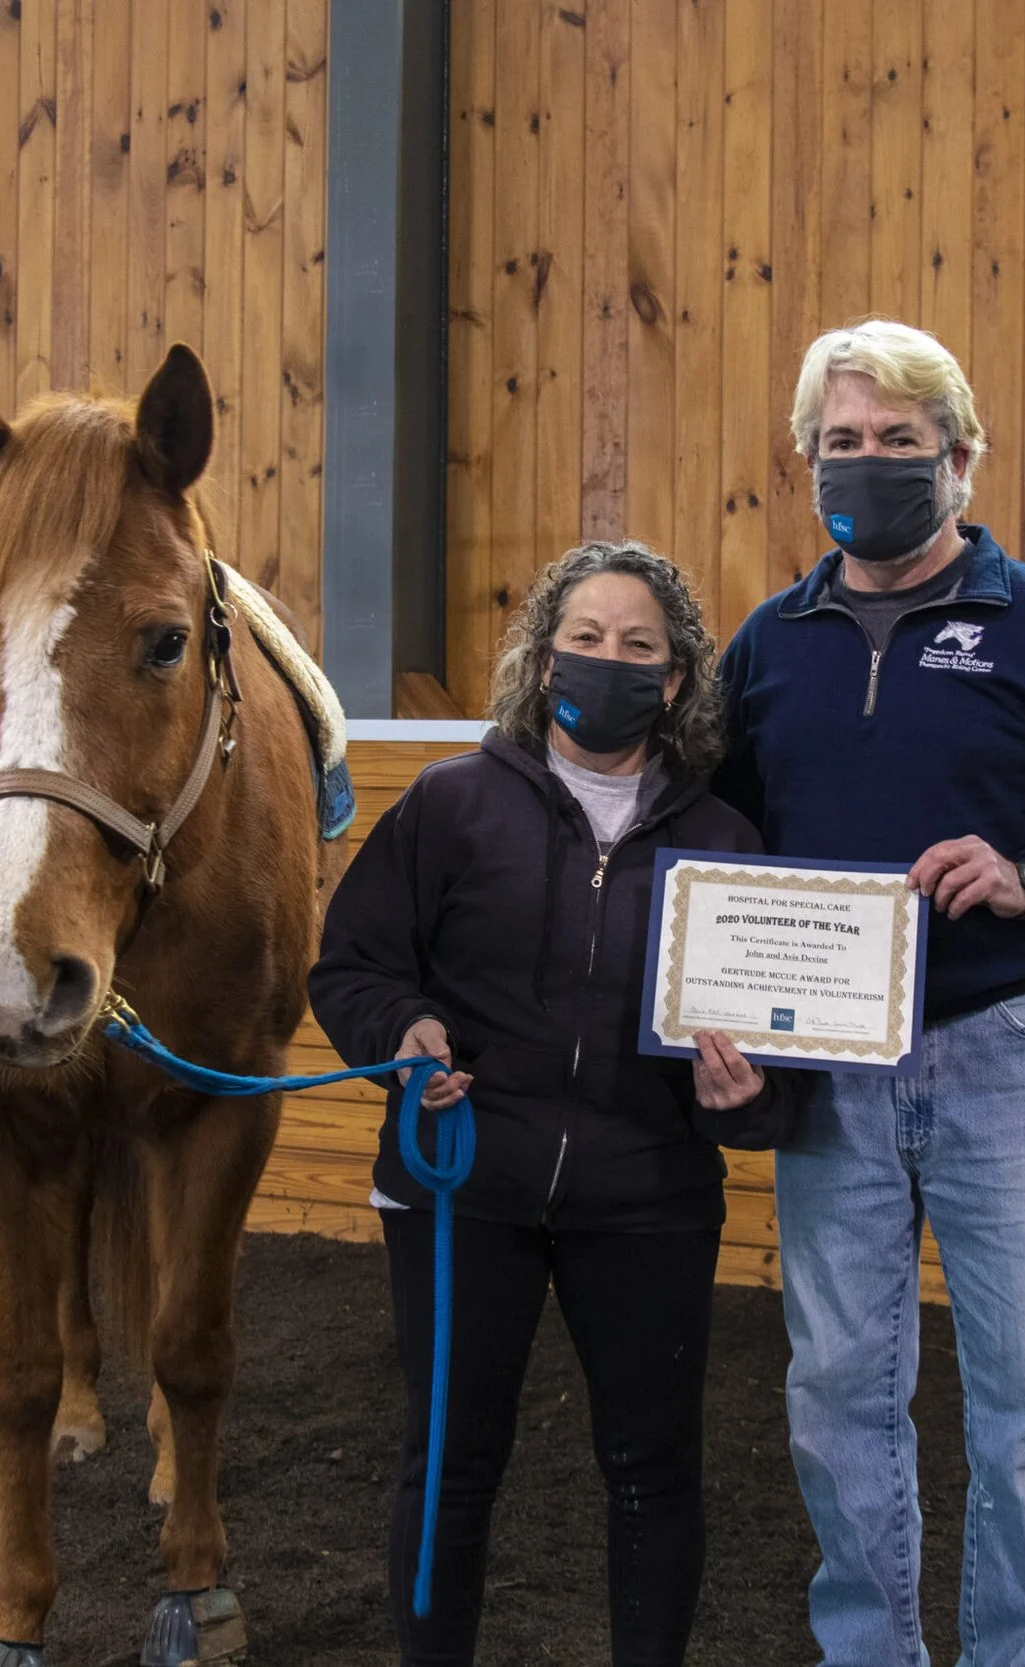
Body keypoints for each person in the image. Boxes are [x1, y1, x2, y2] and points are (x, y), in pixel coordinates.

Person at [715, 319, 1025, 1667]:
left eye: (900, 443)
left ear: (962, 459)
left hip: (1009, 1054)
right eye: (843, 442)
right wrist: (727, 1017)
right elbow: (722, 848)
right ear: (809, 460)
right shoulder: (768, 646)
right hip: (831, 1076)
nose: (869, 465)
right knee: (834, 1396)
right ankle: (870, 1651)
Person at [310, 541, 802, 1666]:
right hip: (462, 1183)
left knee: (652, 1467)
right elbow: (353, 967)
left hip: (649, 1198)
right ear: (543, 659)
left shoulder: (725, 847)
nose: (608, 660)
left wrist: (744, 1097)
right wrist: (401, 1033)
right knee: (449, 1459)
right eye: (585, 637)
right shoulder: (450, 801)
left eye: (639, 646)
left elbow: (768, 1065)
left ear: (675, 680)